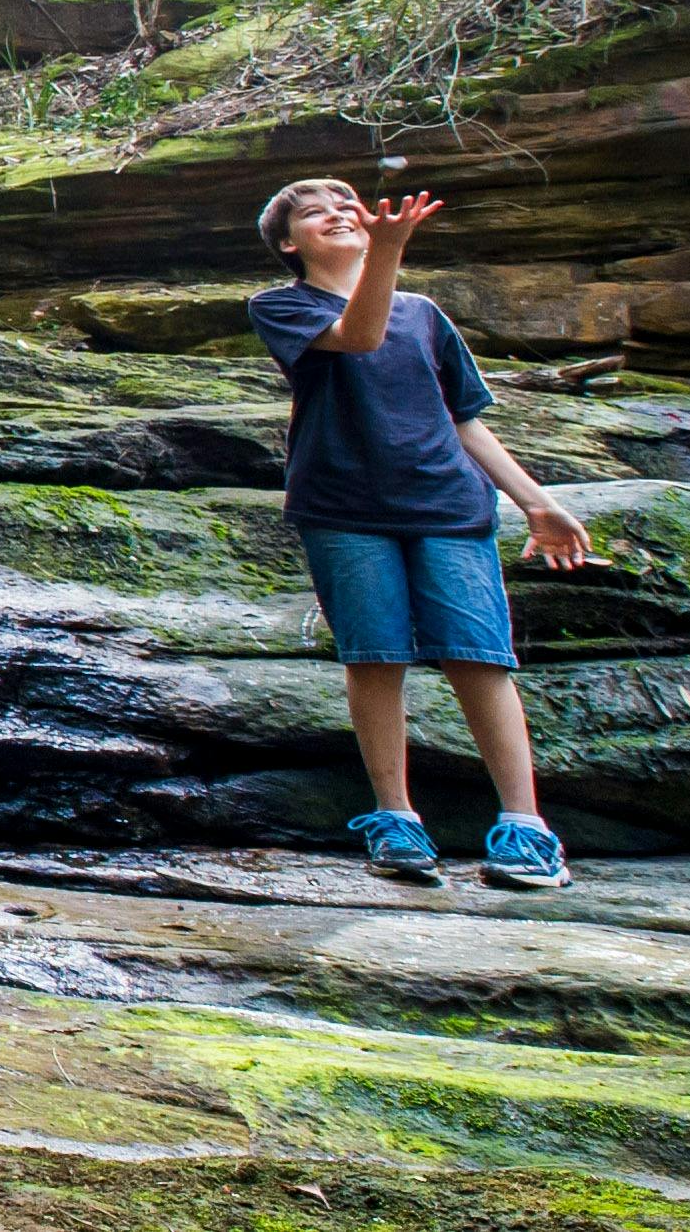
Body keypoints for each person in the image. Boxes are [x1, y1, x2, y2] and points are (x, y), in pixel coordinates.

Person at [251, 178, 594, 888]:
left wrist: (535, 502)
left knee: (478, 657)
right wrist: (387, 252)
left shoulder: (424, 314)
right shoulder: (282, 306)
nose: (339, 216)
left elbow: (465, 417)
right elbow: (357, 335)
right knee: (374, 657)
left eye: (347, 207)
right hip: (343, 506)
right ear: (289, 243)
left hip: (446, 505)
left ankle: (525, 828)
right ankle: (395, 820)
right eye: (316, 214)